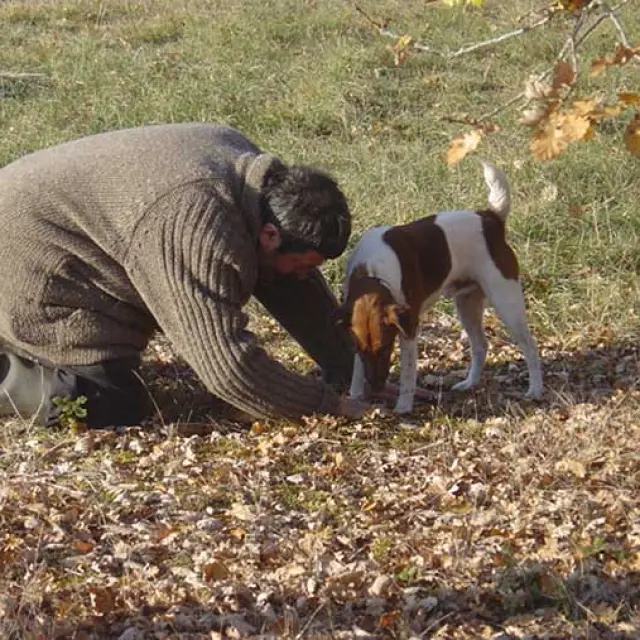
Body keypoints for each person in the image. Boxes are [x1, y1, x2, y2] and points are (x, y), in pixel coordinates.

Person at [0, 122, 371, 428]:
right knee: (108, 400)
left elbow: (289, 284)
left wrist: (354, 371)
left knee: (282, 269)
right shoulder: (196, 220)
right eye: (305, 265)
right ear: (271, 235)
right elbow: (227, 370)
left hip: (49, 234)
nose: (305, 277)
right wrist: (327, 404)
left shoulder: (253, 180)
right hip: (25, 265)